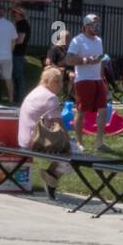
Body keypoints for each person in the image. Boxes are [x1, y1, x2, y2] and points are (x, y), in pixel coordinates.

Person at [18, 66, 78, 201]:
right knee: (74, 150)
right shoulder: (51, 98)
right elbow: (59, 124)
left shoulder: (35, 92)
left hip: (24, 140)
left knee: (67, 149)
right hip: (36, 141)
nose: (60, 85)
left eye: (61, 81)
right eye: (57, 81)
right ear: (48, 81)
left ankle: (50, 176)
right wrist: (69, 141)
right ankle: (51, 178)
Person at [67, 14, 108, 152]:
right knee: (81, 111)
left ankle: (99, 143)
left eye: (98, 25)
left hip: (97, 79)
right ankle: (79, 142)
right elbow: (70, 60)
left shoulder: (99, 40)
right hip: (83, 79)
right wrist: (86, 60)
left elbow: (100, 60)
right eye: (94, 25)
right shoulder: (77, 40)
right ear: (86, 26)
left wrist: (103, 79)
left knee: (103, 110)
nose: (97, 28)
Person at [10, 5, 31, 102]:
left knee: (18, 75)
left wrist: (9, 43)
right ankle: (17, 97)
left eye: (14, 13)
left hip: (18, 52)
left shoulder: (22, 24)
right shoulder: (18, 23)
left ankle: (20, 98)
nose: (12, 15)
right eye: (12, 13)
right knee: (15, 75)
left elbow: (20, 40)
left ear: (20, 14)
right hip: (16, 52)